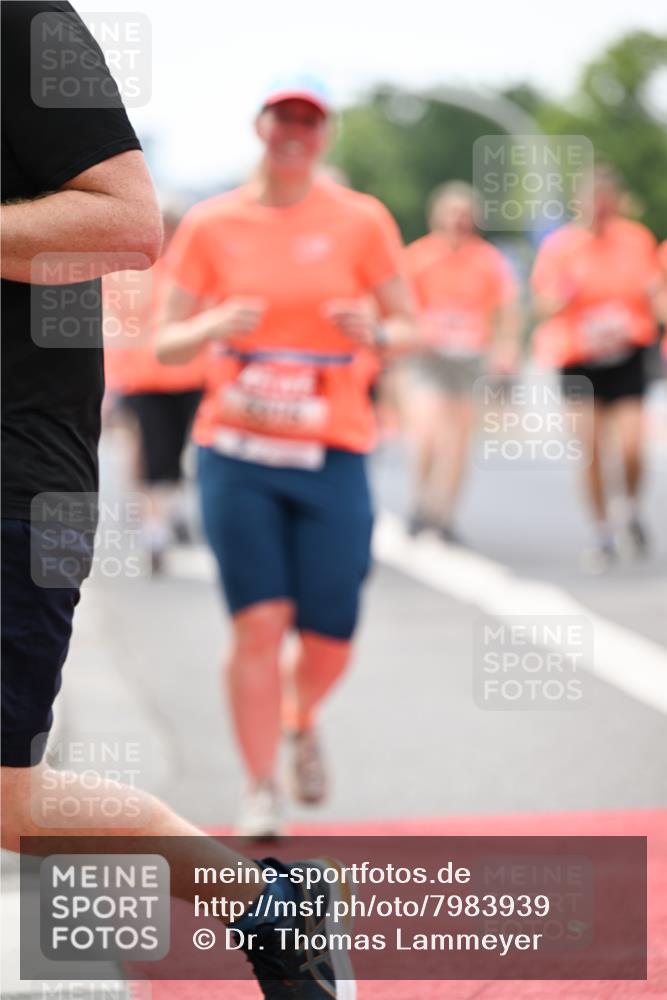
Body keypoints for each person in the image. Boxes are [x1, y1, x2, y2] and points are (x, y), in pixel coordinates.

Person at [1, 8, 355, 995]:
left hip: (15, 475)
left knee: (9, 804)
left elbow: (126, 223)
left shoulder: (25, 22)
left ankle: (267, 903)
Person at [157, 74, 417, 837]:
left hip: (331, 451)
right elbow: (165, 343)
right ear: (260, 127)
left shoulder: (360, 220)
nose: (294, 133)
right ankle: (260, 785)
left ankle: (300, 715)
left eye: (309, 121)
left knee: (330, 632)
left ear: (324, 134)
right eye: (282, 119)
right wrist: (212, 327)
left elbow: (410, 327)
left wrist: (378, 333)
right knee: (259, 623)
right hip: (237, 454)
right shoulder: (212, 223)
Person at [531, 164, 661, 571]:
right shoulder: (561, 247)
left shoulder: (636, 240)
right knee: (589, 450)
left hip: (626, 356)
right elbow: (543, 306)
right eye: (593, 202)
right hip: (579, 360)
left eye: (607, 202)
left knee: (631, 446)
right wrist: (565, 293)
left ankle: (630, 509)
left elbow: (655, 295)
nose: (600, 210)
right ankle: (601, 531)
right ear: (579, 202)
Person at [400, 181, 521, 540]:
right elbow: (401, 305)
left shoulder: (488, 260)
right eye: (452, 214)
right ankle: (420, 502)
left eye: (465, 215)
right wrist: (416, 332)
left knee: (458, 441)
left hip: (470, 358)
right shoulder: (418, 257)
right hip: (429, 358)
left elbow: (507, 308)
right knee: (426, 435)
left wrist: (506, 349)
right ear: (437, 217)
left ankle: (445, 515)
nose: (459, 221)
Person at [104, 202, 205, 573]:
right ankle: (156, 527)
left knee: (172, 451)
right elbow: (122, 318)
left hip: (188, 375)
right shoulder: (131, 271)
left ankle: (165, 515)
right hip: (145, 378)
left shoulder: (188, 269)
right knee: (150, 449)